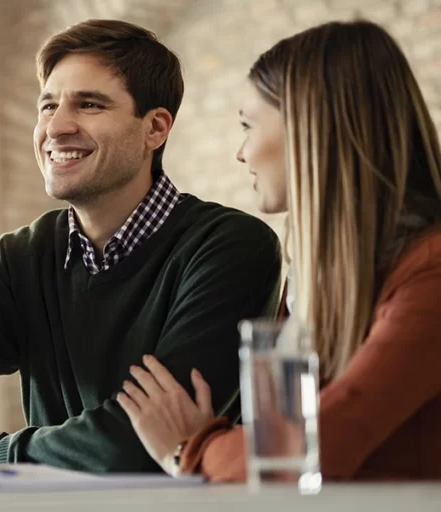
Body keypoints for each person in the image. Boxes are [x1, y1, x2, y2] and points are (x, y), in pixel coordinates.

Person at [0, 19, 283, 473]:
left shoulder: (231, 248)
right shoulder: (22, 257)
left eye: (89, 105)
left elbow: (140, 444)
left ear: (155, 128)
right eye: (48, 106)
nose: (57, 127)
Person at [118, 19, 441, 481]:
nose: (241, 153)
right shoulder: (317, 277)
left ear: (310, 126)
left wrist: (190, 447)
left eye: (248, 126)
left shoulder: (430, 273)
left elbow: (304, 452)